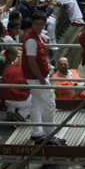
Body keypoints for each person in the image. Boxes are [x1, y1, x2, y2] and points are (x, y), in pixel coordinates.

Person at [23, 12, 61, 145]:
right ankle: (50, 134)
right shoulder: (32, 40)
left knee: (37, 104)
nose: (39, 26)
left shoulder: (35, 37)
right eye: (36, 24)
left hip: (35, 76)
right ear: (32, 24)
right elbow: (32, 61)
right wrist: (40, 78)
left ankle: (37, 132)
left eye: (41, 24)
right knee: (49, 104)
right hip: (36, 77)